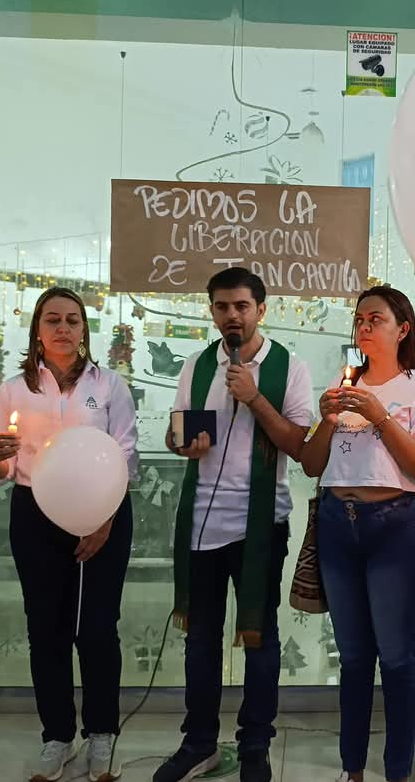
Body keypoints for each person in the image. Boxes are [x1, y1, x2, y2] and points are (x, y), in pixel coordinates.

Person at [154, 268, 313, 782]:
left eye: (242, 306)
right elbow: (176, 430)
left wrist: (253, 396)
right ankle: (199, 742)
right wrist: (184, 442)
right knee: (200, 641)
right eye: (222, 307)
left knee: (259, 639)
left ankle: (255, 746)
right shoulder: (198, 365)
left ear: (260, 310)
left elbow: (299, 445)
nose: (232, 317)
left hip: (261, 525)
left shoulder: (289, 367)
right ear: (212, 312)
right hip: (201, 522)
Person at [0, 287, 138, 782]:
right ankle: (57, 736)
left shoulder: (109, 384)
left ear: (84, 330)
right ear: (37, 328)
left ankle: (101, 734)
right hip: (34, 513)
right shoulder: (14, 389)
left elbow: (127, 454)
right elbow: (0, 470)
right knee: (45, 630)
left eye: (73, 320)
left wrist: (104, 519)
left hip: (104, 510)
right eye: (53, 319)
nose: (63, 328)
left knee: (95, 629)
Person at [300, 285, 415, 782]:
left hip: (398, 525)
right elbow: (311, 464)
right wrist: (326, 420)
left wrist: (379, 415)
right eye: (359, 319)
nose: (363, 327)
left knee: (397, 654)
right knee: (355, 655)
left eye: (375, 319)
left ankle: (398, 771)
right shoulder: (343, 384)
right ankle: (351, 768)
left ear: (401, 329)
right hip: (339, 524)